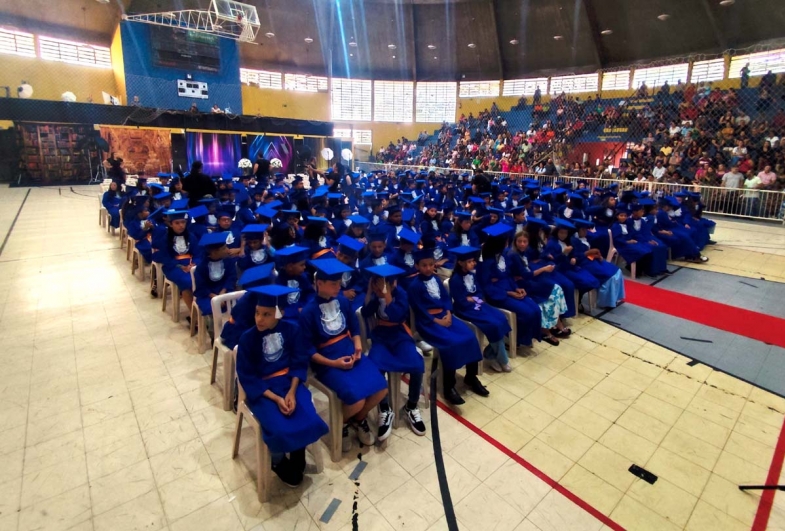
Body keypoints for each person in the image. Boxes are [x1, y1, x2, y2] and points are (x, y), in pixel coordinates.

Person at [236, 284, 329, 487]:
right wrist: (277, 398)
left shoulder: (292, 330)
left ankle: (298, 448)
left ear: (279, 314)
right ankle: (277, 460)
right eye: (257, 313)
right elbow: (247, 376)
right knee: (278, 428)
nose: (260, 319)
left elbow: (299, 361)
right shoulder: (247, 339)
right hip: (263, 391)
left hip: (288, 384)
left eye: (267, 314)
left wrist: (292, 392)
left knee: (308, 418)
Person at [300, 259, 389, 451]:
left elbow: (354, 327)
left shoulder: (342, 301)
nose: (338, 287)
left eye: (339, 283)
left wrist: (357, 345)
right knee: (357, 399)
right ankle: (344, 423)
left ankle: (358, 419)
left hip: (349, 351)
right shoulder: (308, 312)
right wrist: (334, 363)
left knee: (381, 388)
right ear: (319, 283)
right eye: (333, 284)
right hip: (327, 361)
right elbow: (309, 351)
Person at [408, 247, 488, 406]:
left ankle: (471, 376)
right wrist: (437, 321)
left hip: (445, 316)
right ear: (417, 266)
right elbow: (419, 309)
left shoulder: (436, 279)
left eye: (431, 264)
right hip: (428, 322)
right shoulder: (414, 286)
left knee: (470, 336)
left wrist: (449, 314)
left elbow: (446, 299)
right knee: (451, 344)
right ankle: (449, 386)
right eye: (424, 265)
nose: (428, 268)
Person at [361, 265, 427, 440]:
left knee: (416, 363)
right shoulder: (375, 297)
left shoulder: (401, 294)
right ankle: (384, 408)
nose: (379, 287)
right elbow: (366, 311)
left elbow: (398, 315)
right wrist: (370, 292)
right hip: (381, 336)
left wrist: (387, 296)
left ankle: (411, 405)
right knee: (375, 364)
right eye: (376, 283)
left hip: (399, 334)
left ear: (393, 284)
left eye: (383, 284)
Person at [478, 224, 546, 349]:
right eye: (506, 241)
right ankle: (514, 340)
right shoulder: (487, 262)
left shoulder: (503, 256)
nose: (507, 244)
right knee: (527, 313)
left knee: (535, 309)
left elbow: (509, 275)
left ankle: (526, 338)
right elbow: (486, 285)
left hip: (509, 287)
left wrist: (516, 288)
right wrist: (509, 293)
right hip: (498, 294)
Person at [448, 246, 512, 372]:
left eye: (473, 261)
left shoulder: (472, 275)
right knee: (493, 324)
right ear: (461, 263)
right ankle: (503, 360)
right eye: (470, 261)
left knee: (501, 318)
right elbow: (461, 301)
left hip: (478, 304)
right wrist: (472, 299)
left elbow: (479, 291)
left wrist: (473, 298)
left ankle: (490, 354)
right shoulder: (455, 280)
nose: (474, 263)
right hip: (465, 310)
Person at [570, 220, 625, 308]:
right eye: (583, 230)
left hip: (591, 260)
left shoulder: (584, 239)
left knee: (616, 270)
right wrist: (587, 253)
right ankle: (606, 302)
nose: (585, 232)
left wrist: (596, 255)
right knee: (608, 275)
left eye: (586, 230)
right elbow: (576, 257)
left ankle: (615, 298)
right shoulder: (573, 241)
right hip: (583, 264)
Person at [159, 209, 200, 316]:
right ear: (171, 224)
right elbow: (165, 258)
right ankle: (194, 314)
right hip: (173, 266)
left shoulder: (191, 236)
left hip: (190, 264)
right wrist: (181, 266)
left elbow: (198, 253)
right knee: (187, 282)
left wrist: (194, 263)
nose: (181, 225)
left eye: (183, 222)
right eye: (177, 223)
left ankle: (202, 308)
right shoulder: (165, 239)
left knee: (202, 277)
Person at [193, 232, 238, 318]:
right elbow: (201, 287)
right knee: (211, 308)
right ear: (214, 252)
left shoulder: (228, 262)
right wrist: (216, 298)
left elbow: (231, 277)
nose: (228, 250)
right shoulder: (201, 267)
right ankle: (212, 329)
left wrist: (223, 292)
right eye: (224, 248)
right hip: (208, 295)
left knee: (240, 304)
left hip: (225, 291)